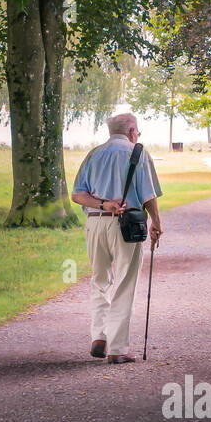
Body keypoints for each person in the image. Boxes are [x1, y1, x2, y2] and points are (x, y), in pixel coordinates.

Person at [69, 113, 163, 364]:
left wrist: (103, 203)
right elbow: (148, 194)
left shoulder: (94, 154)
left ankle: (99, 336)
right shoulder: (138, 153)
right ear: (132, 131)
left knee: (99, 280)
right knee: (124, 283)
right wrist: (156, 222)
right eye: (138, 132)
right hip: (126, 226)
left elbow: (77, 195)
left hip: (95, 223)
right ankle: (117, 348)